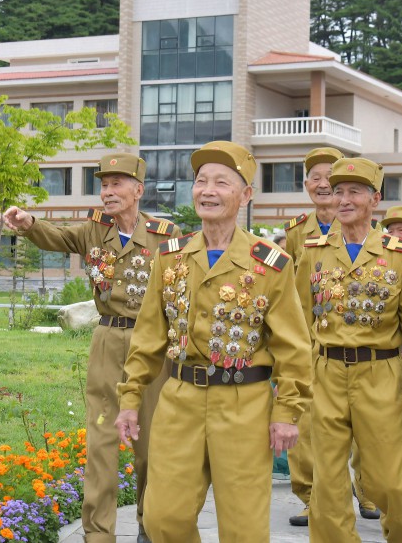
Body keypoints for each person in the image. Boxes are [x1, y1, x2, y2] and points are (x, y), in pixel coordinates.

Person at [114, 141, 312, 543]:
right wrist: (131, 398)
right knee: (161, 518)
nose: (208, 190)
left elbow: (293, 346)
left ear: (245, 195)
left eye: (222, 182)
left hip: (244, 405)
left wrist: (287, 411)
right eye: (201, 181)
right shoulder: (170, 257)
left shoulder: (269, 263)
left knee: (243, 529)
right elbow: (149, 335)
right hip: (180, 399)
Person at [3, 152, 181, 543]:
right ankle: (98, 533)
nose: (108, 192)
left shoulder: (166, 236)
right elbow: (60, 236)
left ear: (138, 190)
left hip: (151, 343)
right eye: (103, 185)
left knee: (150, 440)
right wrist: (28, 222)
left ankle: (150, 526)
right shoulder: (94, 230)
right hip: (106, 338)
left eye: (117, 184)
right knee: (101, 440)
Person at [294, 157, 402, 543]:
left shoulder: (400, 254)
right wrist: (294, 376)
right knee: (328, 481)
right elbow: (299, 320)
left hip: (380, 373)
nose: (344, 199)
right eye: (338, 191)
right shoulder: (314, 251)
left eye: (355, 191)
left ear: (376, 199)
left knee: (389, 480)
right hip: (325, 373)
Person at [283, 146, 380, 527]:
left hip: (359, 340)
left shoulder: (368, 230)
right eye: (316, 178)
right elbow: (289, 292)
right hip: (309, 341)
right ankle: (311, 497)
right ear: (306, 185)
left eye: (331, 178)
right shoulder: (296, 233)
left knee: (361, 425)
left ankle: (368, 490)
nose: (324, 185)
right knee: (305, 422)